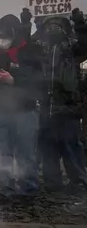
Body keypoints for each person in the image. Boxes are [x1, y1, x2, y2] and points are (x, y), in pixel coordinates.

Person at [0, 14, 42, 197]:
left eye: (5, 35)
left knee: (26, 152)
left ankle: (28, 189)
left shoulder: (31, 52)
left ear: (14, 34)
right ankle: (4, 187)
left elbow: (38, 81)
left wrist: (13, 80)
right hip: (1, 111)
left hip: (25, 111)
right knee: (1, 151)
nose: (1, 40)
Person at [37, 12, 87, 194]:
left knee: (71, 146)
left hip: (68, 107)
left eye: (58, 24)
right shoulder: (41, 48)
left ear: (65, 29)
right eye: (49, 25)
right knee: (48, 147)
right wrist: (30, 25)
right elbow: (24, 47)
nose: (53, 28)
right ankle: (53, 185)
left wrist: (81, 25)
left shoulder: (73, 48)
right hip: (46, 107)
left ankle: (79, 183)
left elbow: (85, 45)